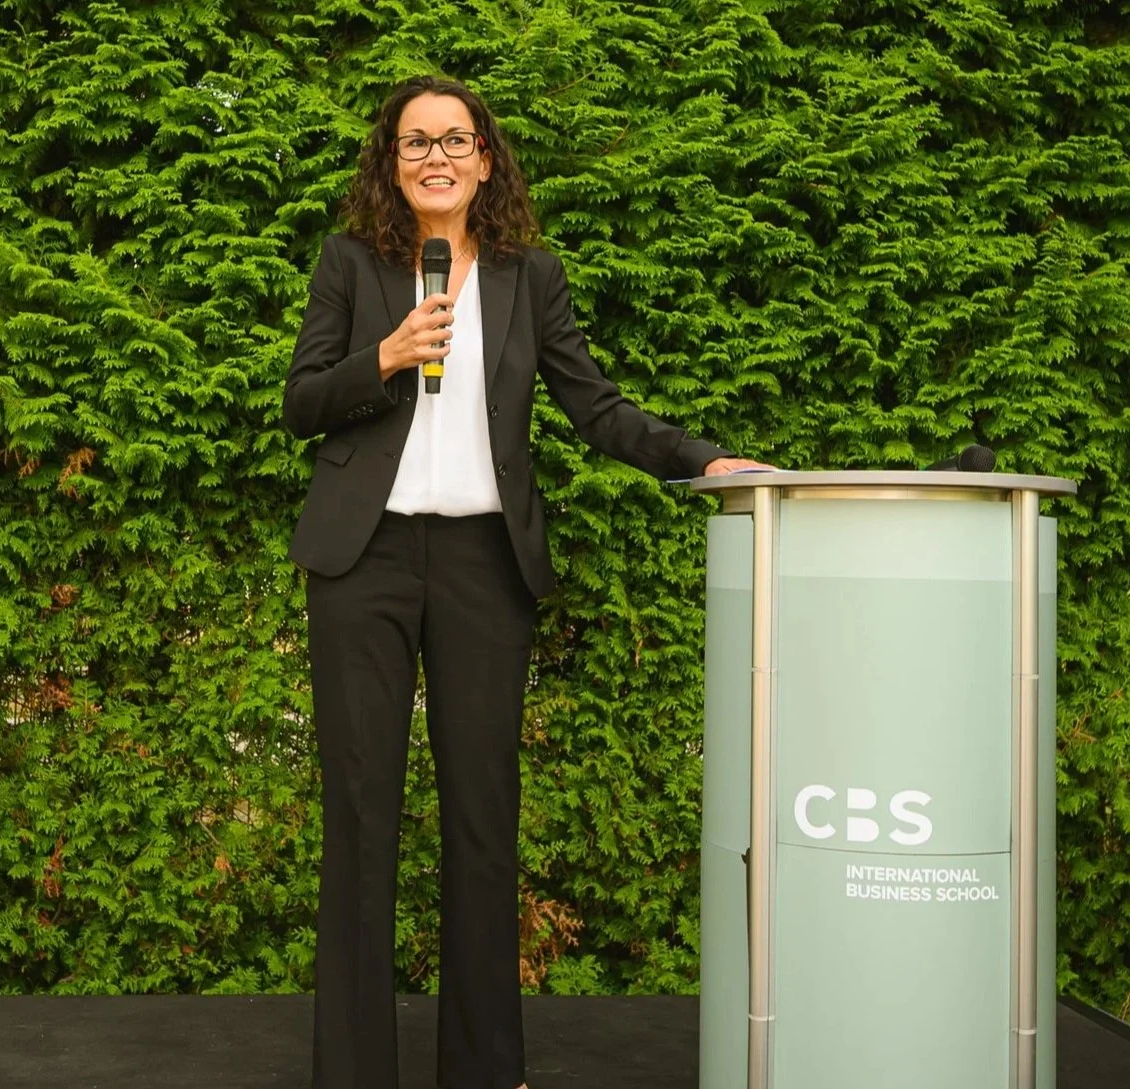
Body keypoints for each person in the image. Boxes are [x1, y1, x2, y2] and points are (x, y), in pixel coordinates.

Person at [281, 74, 768, 1089]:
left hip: (478, 566)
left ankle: (482, 1068)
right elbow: (301, 401)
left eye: (455, 141)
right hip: (360, 563)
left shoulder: (527, 275)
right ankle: (353, 1073)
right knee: (361, 818)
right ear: (390, 161)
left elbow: (594, 405)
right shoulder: (351, 264)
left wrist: (696, 458)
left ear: (485, 159)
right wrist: (385, 355)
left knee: (481, 819)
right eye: (415, 143)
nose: (436, 158)